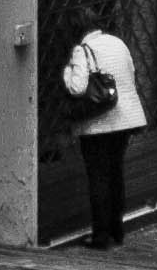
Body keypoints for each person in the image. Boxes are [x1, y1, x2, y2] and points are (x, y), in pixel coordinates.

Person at [61, 26, 145, 248]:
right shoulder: (119, 43)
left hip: (98, 123)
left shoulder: (82, 50)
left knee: (98, 176)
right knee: (115, 172)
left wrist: (67, 71)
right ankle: (117, 230)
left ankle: (101, 236)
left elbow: (77, 88)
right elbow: (131, 72)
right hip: (125, 119)